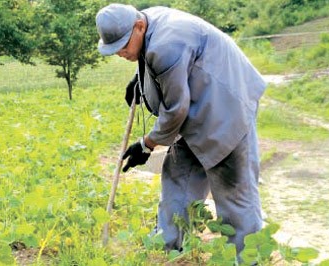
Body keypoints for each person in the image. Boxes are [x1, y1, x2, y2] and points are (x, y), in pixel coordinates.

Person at [95, 3, 266, 258]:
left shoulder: (166, 44)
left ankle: (248, 258)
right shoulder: (147, 22)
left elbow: (175, 110)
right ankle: (167, 247)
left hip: (226, 106)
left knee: (234, 192)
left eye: (122, 45)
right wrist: (141, 79)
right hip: (198, 107)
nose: (120, 52)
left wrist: (147, 144)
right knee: (179, 175)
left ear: (138, 26)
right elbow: (161, 66)